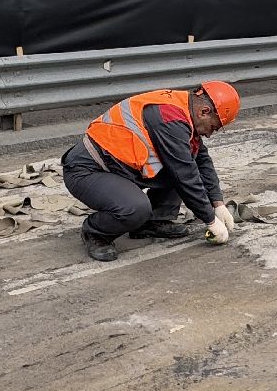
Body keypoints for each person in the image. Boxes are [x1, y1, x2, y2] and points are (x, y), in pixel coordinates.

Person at [62, 82, 241, 262]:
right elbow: (185, 175)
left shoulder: (183, 110)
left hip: (118, 167)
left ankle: (152, 222)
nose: (210, 135)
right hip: (87, 171)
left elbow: (200, 160)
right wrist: (210, 220)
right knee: (135, 207)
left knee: (182, 163)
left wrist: (217, 203)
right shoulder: (170, 119)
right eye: (213, 127)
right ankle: (95, 232)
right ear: (204, 111)